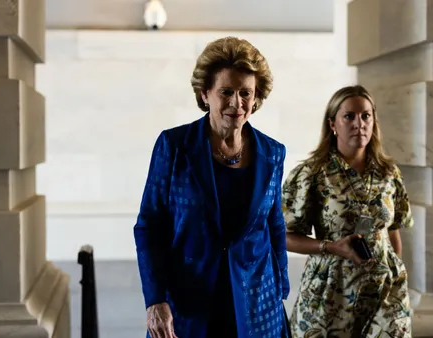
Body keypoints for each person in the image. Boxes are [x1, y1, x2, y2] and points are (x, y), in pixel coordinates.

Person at [134, 36, 291, 338]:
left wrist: (281, 286)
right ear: (205, 94)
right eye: (226, 92)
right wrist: (155, 299)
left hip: (257, 304)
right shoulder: (174, 146)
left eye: (246, 93)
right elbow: (149, 226)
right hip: (189, 301)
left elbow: (274, 224)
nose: (237, 103)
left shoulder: (273, 153)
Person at [281, 85, 414, 338]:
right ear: (333, 124)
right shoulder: (311, 174)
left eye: (366, 116)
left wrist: (396, 271)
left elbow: (393, 229)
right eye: (349, 116)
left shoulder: (389, 173)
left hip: (384, 291)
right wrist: (331, 247)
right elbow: (283, 235)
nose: (359, 123)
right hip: (331, 290)